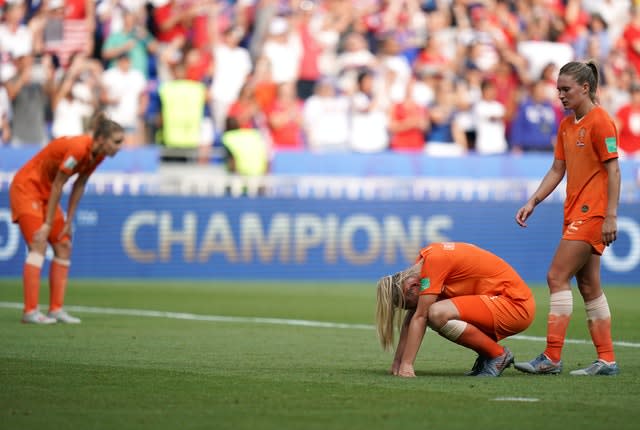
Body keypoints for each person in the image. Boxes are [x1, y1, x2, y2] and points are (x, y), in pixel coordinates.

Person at [514, 60, 621, 376]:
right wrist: (533, 200)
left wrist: (611, 215)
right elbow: (557, 169)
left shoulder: (601, 121)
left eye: (566, 89)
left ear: (585, 88)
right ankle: (607, 359)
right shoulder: (565, 125)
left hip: (593, 213)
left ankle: (551, 357)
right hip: (574, 211)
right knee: (588, 285)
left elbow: (614, 170)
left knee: (556, 276)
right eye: (558, 89)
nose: (560, 95)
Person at [8, 112, 124, 324]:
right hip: (27, 188)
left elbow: (79, 184)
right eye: (116, 142)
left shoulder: (98, 155)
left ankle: (55, 309)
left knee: (63, 245)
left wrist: (69, 220)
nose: (119, 146)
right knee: (38, 243)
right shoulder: (79, 148)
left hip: (45, 193)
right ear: (101, 139)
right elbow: (59, 184)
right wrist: (48, 224)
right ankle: (30, 311)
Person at [375, 242, 535, 378]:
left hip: (514, 305)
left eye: (408, 303)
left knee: (436, 313)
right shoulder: (423, 267)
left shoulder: (433, 264)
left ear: (412, 286)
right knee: (430, 310)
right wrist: (398, 362)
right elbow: (412, 318)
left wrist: (407, 364)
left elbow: (420, 316)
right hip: (501, 302)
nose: (411, 308)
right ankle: (489, 355)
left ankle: (497, 355)